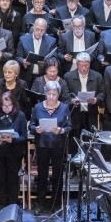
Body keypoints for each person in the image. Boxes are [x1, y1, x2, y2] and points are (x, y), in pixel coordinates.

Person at [28, 81, 71, 213]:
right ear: (45, 94)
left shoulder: (64, 108)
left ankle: (56, 204)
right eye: (49, 94)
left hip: (58, 146)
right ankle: (40, 203)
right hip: (42, 145)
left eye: (54, 94)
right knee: (42, 175)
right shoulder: (37, 107)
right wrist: (36, 129)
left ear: (58, 94)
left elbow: (69, 126)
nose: (51, 97)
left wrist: (61, 130)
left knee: (57, 175)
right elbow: (31, 126)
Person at [0, 91, 28, 209]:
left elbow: (24, 137)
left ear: (13, 104)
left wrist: (12, 140)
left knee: (12, 177)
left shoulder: (20, 116)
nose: (6, 108)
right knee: (0, 177)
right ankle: (1, 202)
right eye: (4, 106)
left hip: (14, 151)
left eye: (9, 106)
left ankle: (12, 202)